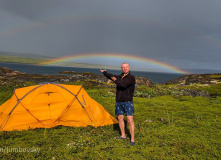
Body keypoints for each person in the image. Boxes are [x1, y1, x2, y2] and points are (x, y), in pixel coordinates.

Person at [100, 63, 136, 146]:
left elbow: (123, 85)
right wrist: (105, 72)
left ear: (129, 68)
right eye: (123, 67)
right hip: (118, 101)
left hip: (128, 101)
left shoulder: (131, 77)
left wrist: (115, 80)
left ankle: (132, 139)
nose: (125, 68)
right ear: (122, 69)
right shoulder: (120, 77)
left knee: (130, 120)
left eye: (126, 67)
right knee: (120, 118)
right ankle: (123, 135)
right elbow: (111, 76)